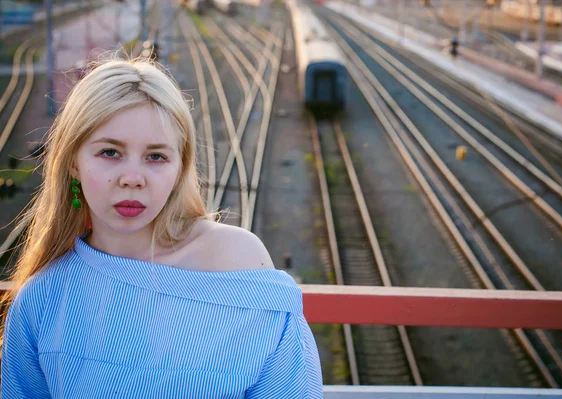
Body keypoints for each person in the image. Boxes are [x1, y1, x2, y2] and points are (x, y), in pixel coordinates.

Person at [1, 57, 323, 398]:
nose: (132, 179)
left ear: (179, 169)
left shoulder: (241, 265)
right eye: (110, 152)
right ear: (73, 163)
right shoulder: (43, 299)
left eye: (156, 157)